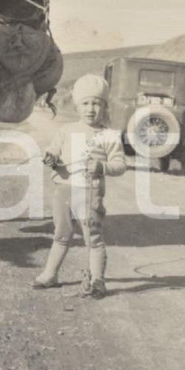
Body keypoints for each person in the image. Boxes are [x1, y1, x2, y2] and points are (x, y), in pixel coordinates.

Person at [34, 74, 127, 298]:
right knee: (61, 234)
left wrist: (102, 166)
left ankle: (97, 281)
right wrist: (50, 158)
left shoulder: (109, 135)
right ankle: (50, 274)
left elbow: (120, 165)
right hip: (63, 191)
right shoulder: (65, 130)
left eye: (96, 103)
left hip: (89, 193)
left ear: (104, 106)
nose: (90, 109)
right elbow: (53, 151)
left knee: (93, 237)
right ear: (77, 105)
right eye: (85, 103)